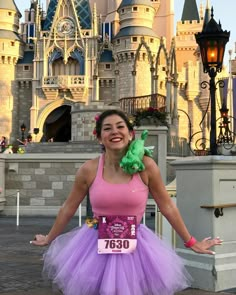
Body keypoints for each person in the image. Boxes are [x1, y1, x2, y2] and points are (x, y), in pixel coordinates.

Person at [31, 109, 222, 295]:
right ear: (99, 137)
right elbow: (68, 208)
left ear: (130, 134)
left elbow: (167, 206)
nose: (114, 131)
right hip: (94, 246)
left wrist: (191, 242)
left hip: (137, 248)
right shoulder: (88, 169)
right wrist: (50, 237)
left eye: (120, 126)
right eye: (107, 128)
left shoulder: (146, 166)